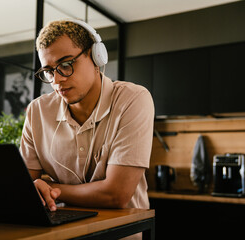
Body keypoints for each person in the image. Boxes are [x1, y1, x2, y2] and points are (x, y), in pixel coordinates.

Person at [20, 19, 155, 214]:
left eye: (65, 64)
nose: (56, 80)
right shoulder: (37, 111)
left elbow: (116, 194)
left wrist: (50, 188)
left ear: (96, 57)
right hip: (62, 231)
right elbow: (27, 188)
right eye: (49, 71)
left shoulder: (132, 99)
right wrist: (38, 186)